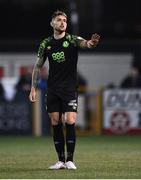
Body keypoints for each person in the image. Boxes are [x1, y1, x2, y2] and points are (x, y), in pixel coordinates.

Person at [29, 10, 100, 170]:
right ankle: (60, 160)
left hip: (69, 88)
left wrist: (91, 43)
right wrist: (33, 88)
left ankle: (70, 160)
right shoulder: (46, 43)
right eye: (59, 20)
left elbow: (85, 43)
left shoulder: (72, 39)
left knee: (70, 120)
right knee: (55, 122)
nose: (62, 22)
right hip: (53, 88)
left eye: (65, 20)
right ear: (52, 23)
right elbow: (37, 66)